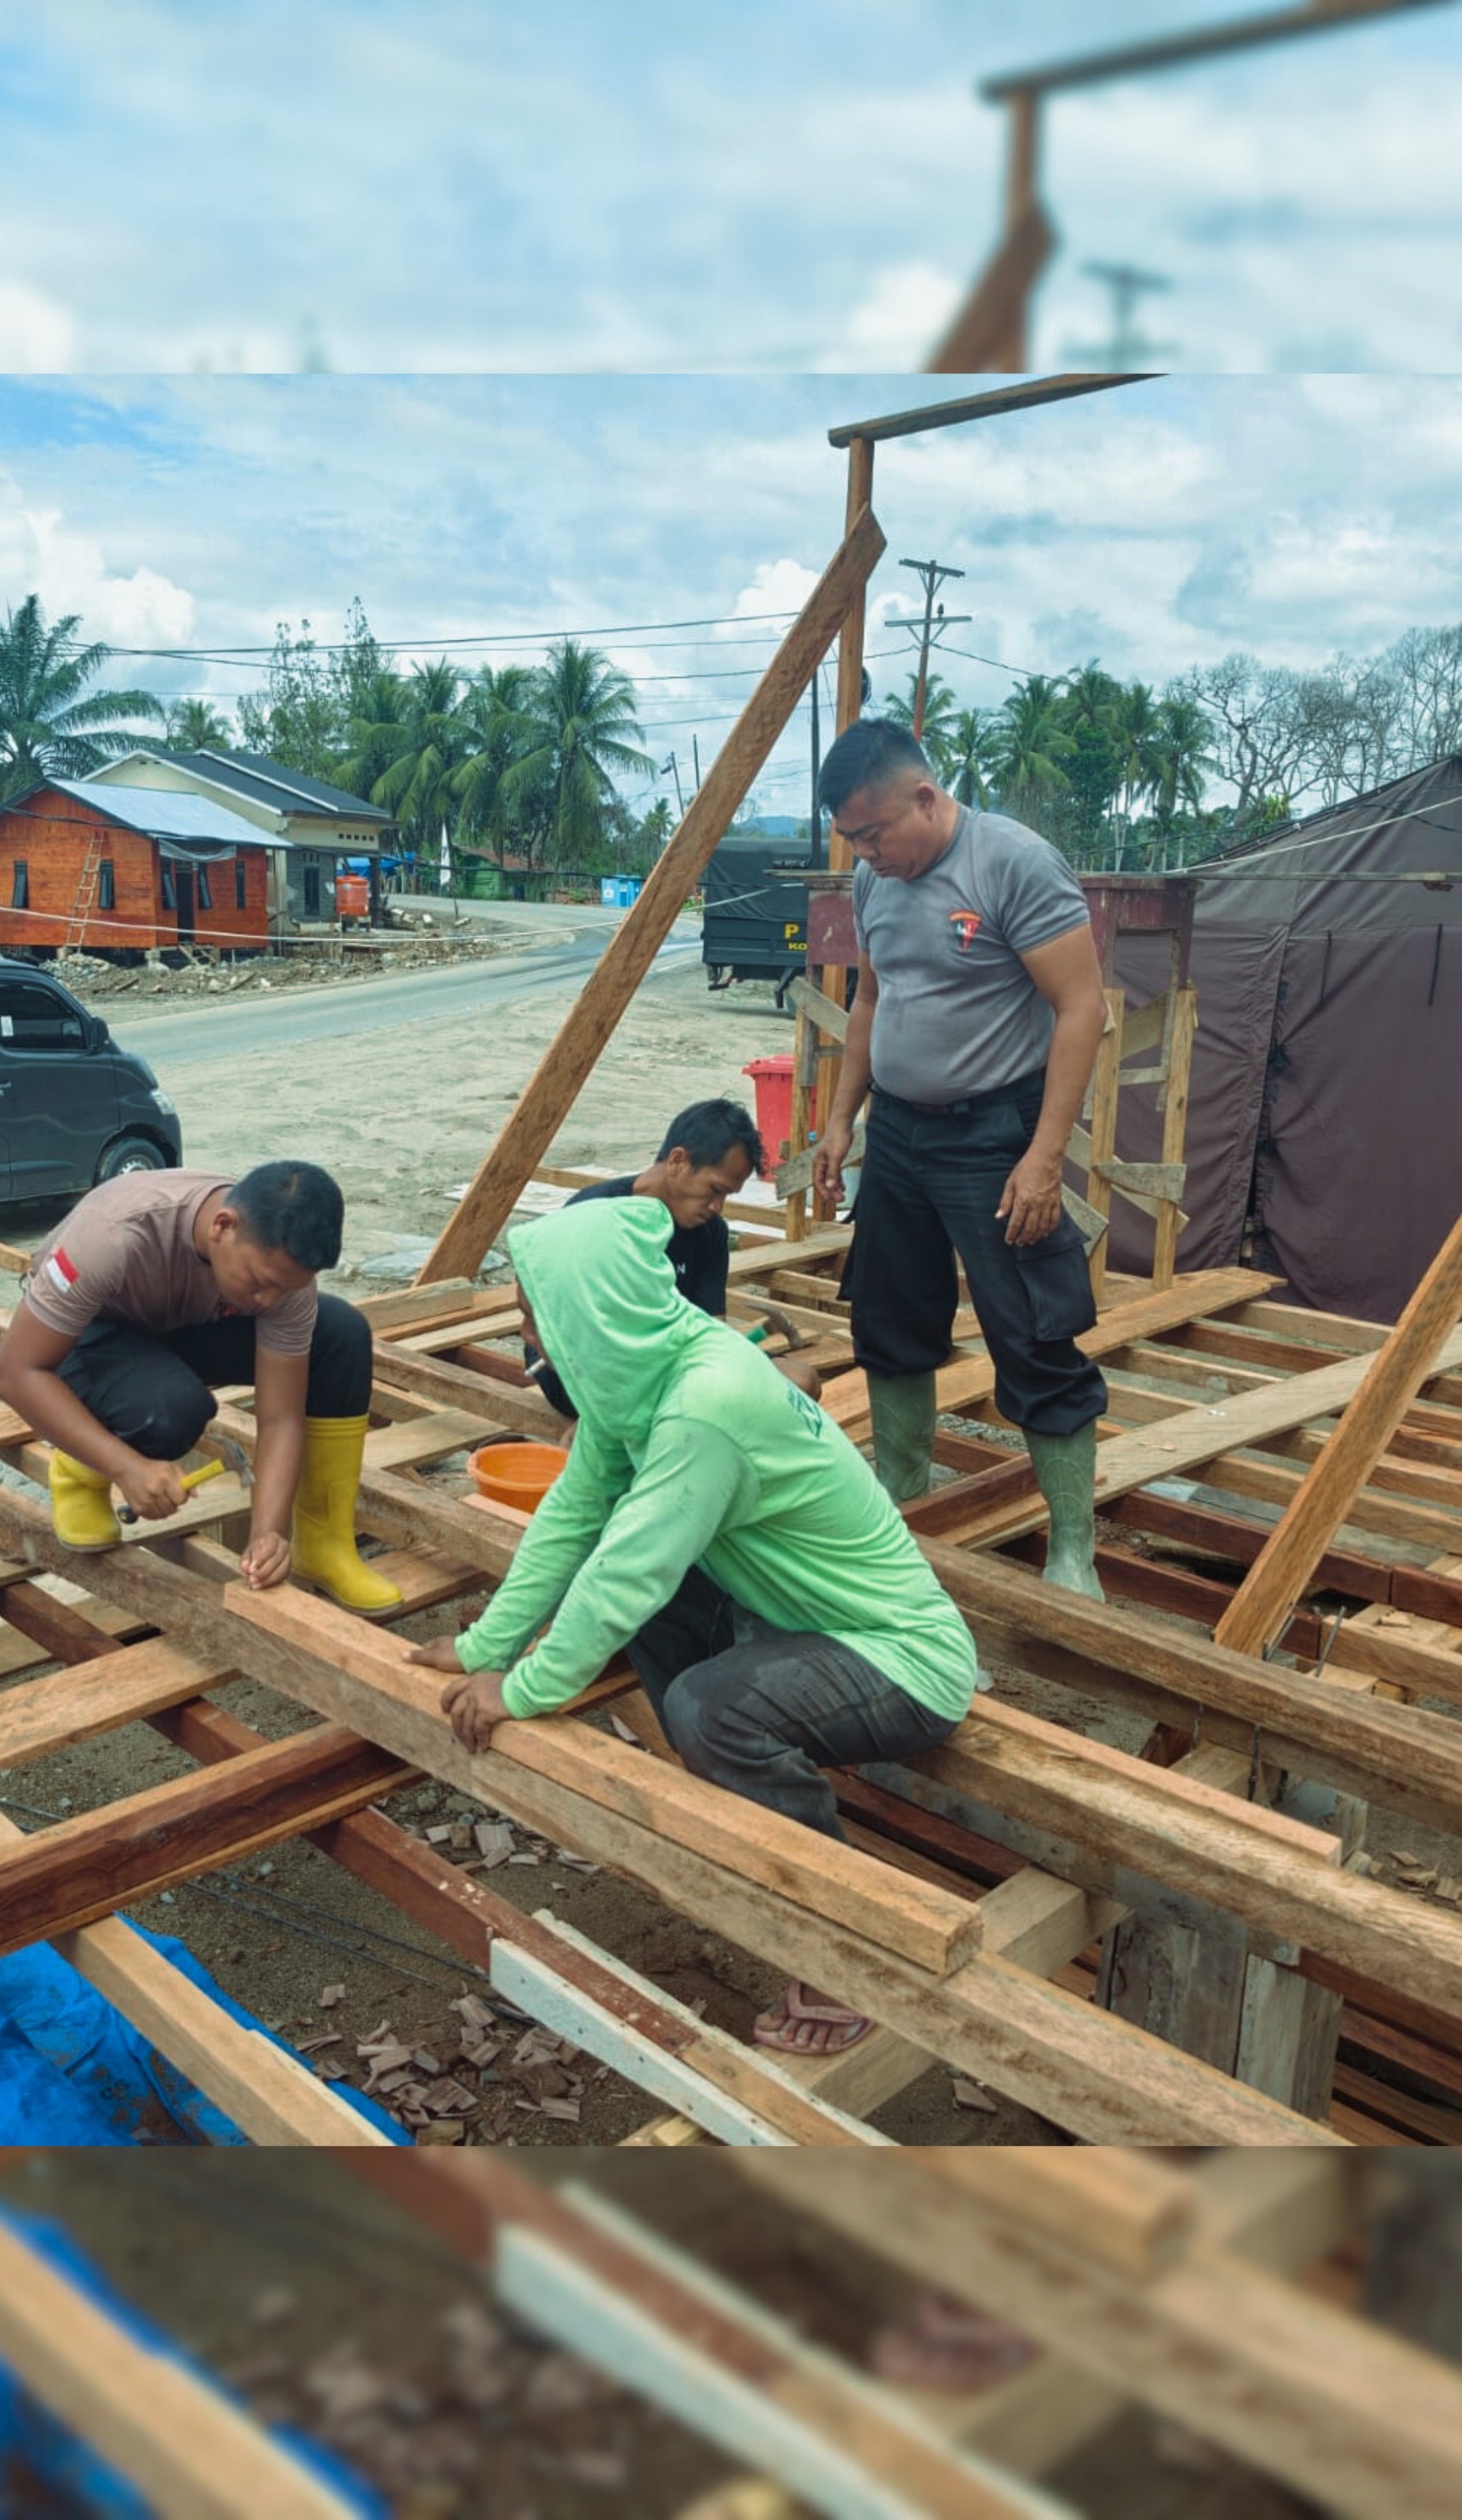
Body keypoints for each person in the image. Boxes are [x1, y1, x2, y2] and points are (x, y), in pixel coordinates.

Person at [410, 1197, 979, 2054]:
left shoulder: (703, 1405)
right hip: (796, 1625)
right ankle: (741, 1791)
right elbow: (573, 1515)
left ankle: (842, 1948)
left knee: (711, 1711)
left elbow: (624, 1574)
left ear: (591, 1311)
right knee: (657, 1621)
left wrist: (519, 1691)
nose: (530, 1339)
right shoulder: (647, 1373)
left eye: (536, 1316)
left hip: (901, 1660)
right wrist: (485, 1646)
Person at [809, 719, 1110, 1597]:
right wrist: (840, 1121)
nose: (867, 854)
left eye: (874, 833)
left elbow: (1081, 1009)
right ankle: (902, 1489)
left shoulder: (1012, 864)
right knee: (889, 1316)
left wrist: (1043, 1158)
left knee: (1033, 1332)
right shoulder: (873, 878)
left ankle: (1072, 1551)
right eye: (852, 839)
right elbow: (870, 1001)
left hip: (993, 1136)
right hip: (899, 1135)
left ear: (924, 797)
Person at [0, 1161, 402, 1614]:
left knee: (341, 1334)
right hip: (91, 1329)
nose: (269, 1301)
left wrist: (268, 1532)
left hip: (181, 1320)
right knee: (171, 1412)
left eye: (284, 1290)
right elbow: (15, 1372)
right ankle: (79, 1470)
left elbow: (280, 1417)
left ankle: (324, 1545)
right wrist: (127, 1467)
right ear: (222, 1226)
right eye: (261, 1283)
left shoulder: (280, 1277)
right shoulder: (110, 1237)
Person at [530, 1099, 821, 1420]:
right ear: (677, 1161)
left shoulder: (710, 1231)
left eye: (727, 1195)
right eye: (714, 1189)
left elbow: (710, 1329)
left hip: (665, 1365)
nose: (717, 1206)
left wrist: (728, 1362)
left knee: (800, 1381)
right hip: (584, 1368)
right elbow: (548, 1320)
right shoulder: (595, 1212)